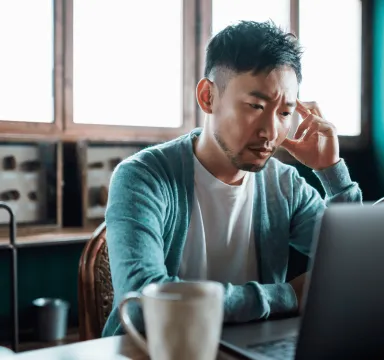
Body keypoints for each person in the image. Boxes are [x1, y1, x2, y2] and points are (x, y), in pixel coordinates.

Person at [102, 20, 362, 337]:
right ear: (208, 96)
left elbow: (357, 266)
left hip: (253, 349)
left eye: (284, 113)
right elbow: (144, 304)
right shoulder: (143, 176)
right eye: (255, 106)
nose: (270, 132)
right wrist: (288, 295)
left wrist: (331, 171)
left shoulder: (285, 185)